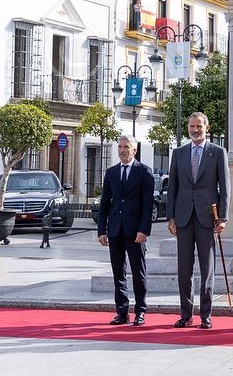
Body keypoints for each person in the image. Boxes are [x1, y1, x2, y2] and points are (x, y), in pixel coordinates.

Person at [166, 112, 231, 330]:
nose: (195, 130)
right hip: (183, 218)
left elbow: (225, 187)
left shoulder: (218, 152)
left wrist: (223, 217)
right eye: (192, 126)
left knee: (207, 269)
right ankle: (186, 314)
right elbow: (173, 187)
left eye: (199, 126)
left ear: (206, 127)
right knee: (184, 270)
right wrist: (171, 217)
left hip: (207, 218)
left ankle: (206, 315)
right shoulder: (179, 153)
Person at [97, 135, 154, 326]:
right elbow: (105, 203)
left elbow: (147, 205)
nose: (122, 150)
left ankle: (140, 311)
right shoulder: (111, 172)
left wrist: (144, 229)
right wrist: (101, 230)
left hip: (135, 231)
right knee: (118, 272)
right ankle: (122, 312)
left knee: (138, 272)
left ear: (134, 150)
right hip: (115, 230)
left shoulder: (144, 172)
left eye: (126, 147)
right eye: (120, 147)